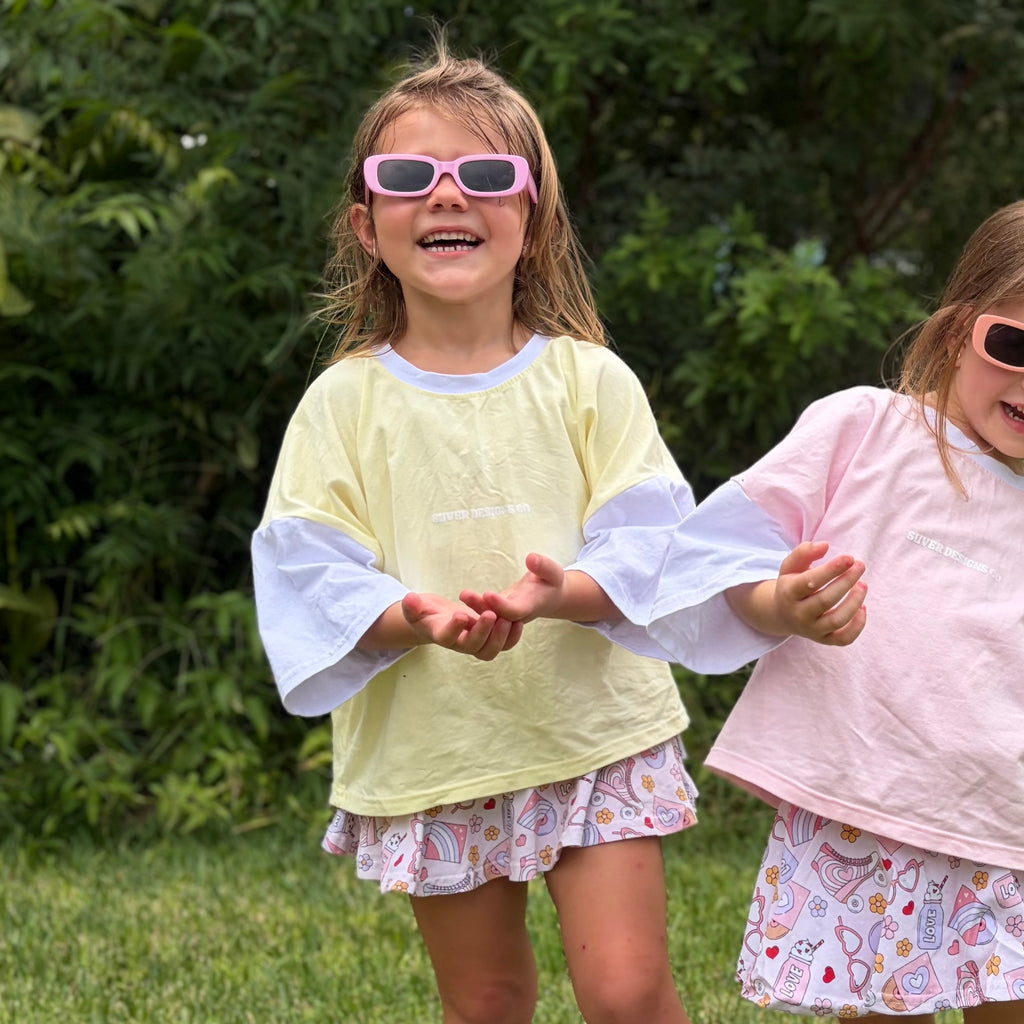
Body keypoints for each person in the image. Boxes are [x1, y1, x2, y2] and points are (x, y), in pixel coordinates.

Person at [251, 38, 700, 1024]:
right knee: (488, 1000)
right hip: (440, 751)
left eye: (486, 174)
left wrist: (560, 593)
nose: (448, 197)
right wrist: (411, 614)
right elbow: (307, 566)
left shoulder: (589, 381)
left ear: (531, 219)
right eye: (411, 176)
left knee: (626, 994)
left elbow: (652, 542)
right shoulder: (344, 403)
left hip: (593, 735)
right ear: (367, 227)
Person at [648, 200, 1024, 1021]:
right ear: (959, 329)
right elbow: (720, 557)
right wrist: (782, 601)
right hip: (868, 814)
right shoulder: (866, 432)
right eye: (1015, 345)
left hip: (1008, 829)